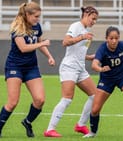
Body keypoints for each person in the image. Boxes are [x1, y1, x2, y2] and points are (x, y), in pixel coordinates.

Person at [0, 2, 55, 138]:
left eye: (39, 16)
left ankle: (27, 122)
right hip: (15, 66)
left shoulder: (37, 26)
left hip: (31, 67)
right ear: (27, 14)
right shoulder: (17, 27)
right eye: (36, 16)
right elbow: (24, 48)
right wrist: (42, 43)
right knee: (13, 102)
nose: (38, 19)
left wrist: (49, 56)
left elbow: (38, 42)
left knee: (40, 100)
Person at [43, 6, 99, 137]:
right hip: (69, 67)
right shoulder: (76, 26)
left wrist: (89, 57)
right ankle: (50, 129)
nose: (94, 22)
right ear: (86, 14)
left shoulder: (86, 30)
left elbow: (77, 51)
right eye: (93, 18)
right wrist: (82, 37)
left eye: (96, 20)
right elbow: (65, 42)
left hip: (80, 68)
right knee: (67, 99)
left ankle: (80, 125)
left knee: (95, 96)